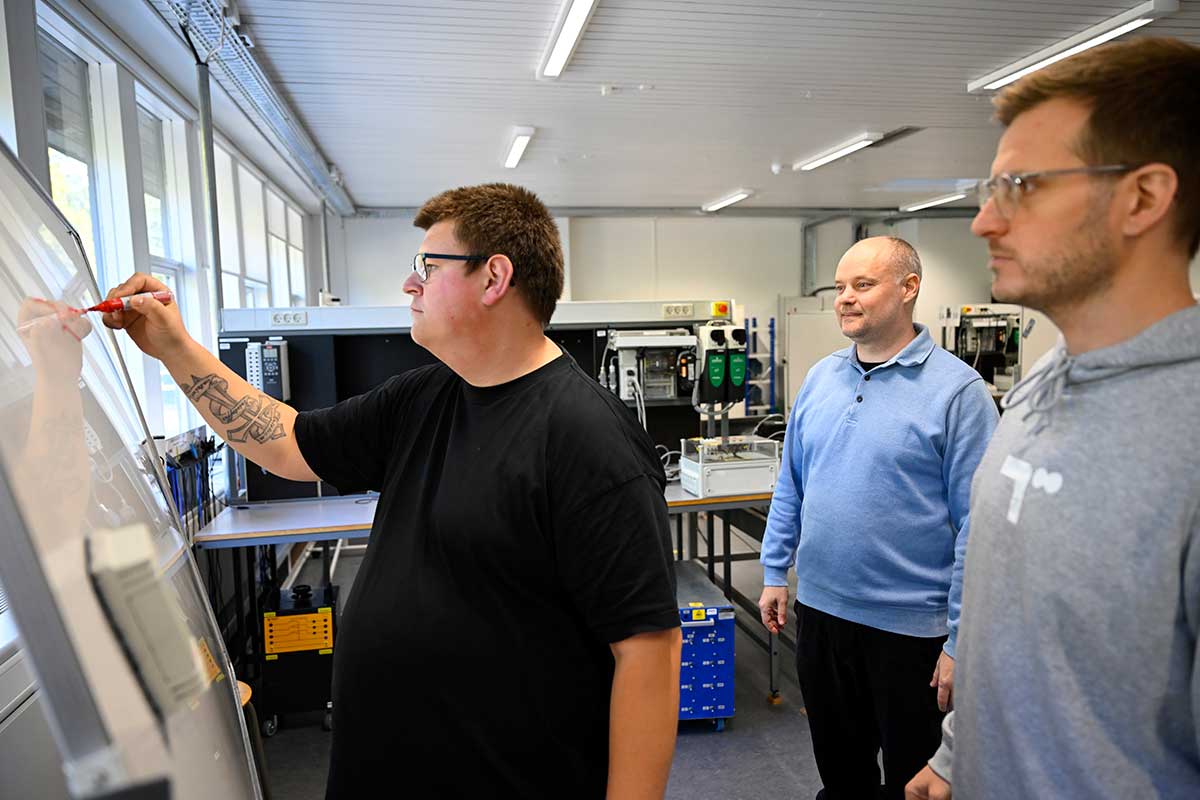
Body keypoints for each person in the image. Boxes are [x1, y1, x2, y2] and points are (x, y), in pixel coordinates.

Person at [104, 183, 683, 799]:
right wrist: (173, 347)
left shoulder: (589, 439)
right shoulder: (424, 396)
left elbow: (649, 651)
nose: (410, 285)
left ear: (494, 278)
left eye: (427, 267)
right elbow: (288, 442)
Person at [906, 37, 1200, 800]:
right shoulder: (1039, 387)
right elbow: (1015, 624)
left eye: (1021, 187)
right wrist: (957, 754)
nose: (984, 221)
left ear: (1143, 198)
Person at [759, 236, 998, 800]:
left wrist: (961, 640)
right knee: (842, 774)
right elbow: (792, 483)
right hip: (822, 616)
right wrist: (773, 571)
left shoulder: (959, 393)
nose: (844, 298)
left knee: (916, 782)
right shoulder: (821, 378)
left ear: (909, 288)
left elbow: (981, 530)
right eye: (840, 287)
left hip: (911, 631)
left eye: (862, 285)